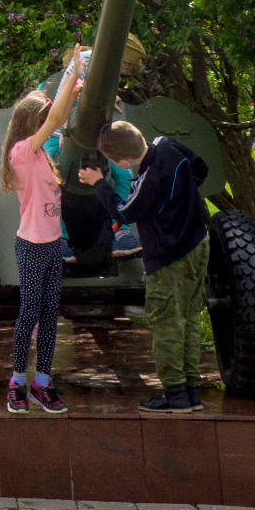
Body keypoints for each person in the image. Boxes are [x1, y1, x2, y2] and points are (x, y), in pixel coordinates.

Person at [85, 120, 209, 414]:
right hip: (198, 243)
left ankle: (175, 394)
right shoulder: (167, 144)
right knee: (188, 319)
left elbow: (122, 212)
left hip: (169, 257)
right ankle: (190, 391)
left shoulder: (148, 181)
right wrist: (180, 198)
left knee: (165, 323)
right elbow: (199, 169)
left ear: (123, 162)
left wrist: (99, 183)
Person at [0, 49, 86, 415]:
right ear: (30, 123)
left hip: (52, 245)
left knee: (50, 315)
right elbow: (55, 118)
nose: (50, 122)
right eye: (44, 117)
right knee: (30, 312)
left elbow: (60, 116)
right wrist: (70, 71)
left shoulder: (42, 156)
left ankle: (42, 384)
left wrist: (77, 85)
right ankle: (17, 383)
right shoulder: (21, 152)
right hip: (32, 246)